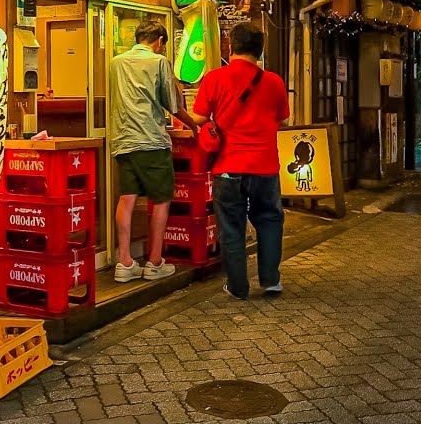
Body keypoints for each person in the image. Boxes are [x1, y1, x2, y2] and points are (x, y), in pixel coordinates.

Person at [187, 22, 290, 300]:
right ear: (260, 50)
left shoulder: (215, 78)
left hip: (228, 166)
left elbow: (198, 118)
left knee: (231, 225)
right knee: (269, 220)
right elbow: (282, 119)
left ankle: (238, 286)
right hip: (265, 166)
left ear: (231, 46)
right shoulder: (274, 81)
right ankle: (270, 280)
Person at [108, 20, 199, 284]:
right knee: (160, 199)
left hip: (123, 140)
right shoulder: (159, 62)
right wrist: (193, 124)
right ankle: (155, 261)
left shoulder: (116, 62)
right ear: (159, 41)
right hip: (151, 141)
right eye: (163, 45)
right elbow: (172, 104)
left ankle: (125, 262)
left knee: (127, 198)